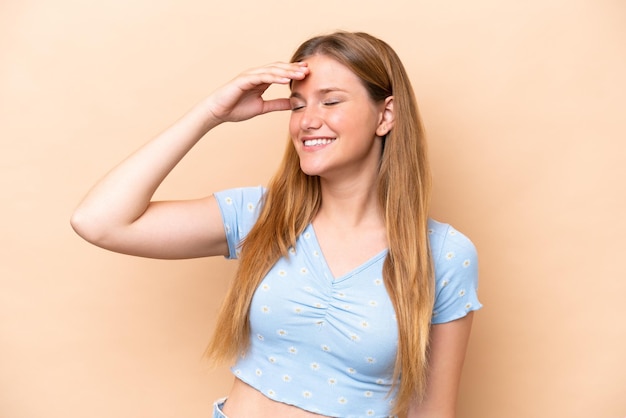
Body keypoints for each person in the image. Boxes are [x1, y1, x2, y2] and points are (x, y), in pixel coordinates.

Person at [71, 31, 482, 418]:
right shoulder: (260, 216)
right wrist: (212, 112)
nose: (307, 120)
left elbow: (431, 411)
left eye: (330, 101)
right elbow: (99, 222)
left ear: (385, 115)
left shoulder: (443, 254)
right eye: (298, 104)